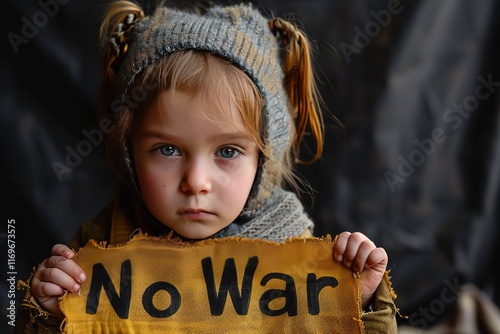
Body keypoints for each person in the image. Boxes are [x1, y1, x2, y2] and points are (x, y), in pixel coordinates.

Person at [15, 0, 398, 332]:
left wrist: (360, 304)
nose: (196, 182)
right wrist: (49, 315)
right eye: (167, 150)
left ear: (263, 158)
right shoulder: (102, 245)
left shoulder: (293, 251)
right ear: (130, 151)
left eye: (228, 152)